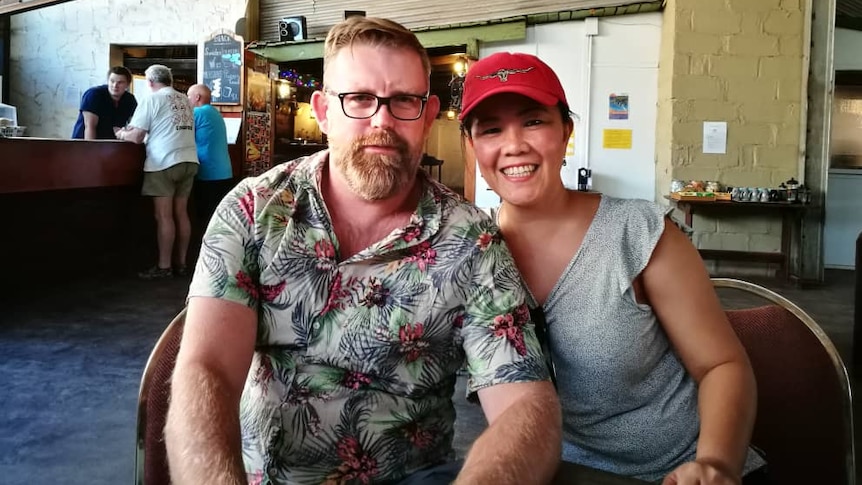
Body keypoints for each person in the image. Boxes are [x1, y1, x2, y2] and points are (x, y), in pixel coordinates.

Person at [164, 17, 561, 485]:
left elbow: (526, 405)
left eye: (404, 101)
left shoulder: (470, 240)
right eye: (358, 99)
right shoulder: (255, 211)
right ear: (325, 110)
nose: (382, 122)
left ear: (429, 114)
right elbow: (206, 371)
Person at [459, 52, 767, 485]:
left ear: (565, 131)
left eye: (533, 121)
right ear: (472, 148)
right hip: (557, 475)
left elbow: (722, 365)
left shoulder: (636, 232)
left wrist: (716, 464)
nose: (514, 145)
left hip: (676, 471)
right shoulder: (470, 254)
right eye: (491, 129)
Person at [116, 64, 198, 279]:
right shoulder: (185, 100)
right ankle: (181, 264)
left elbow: (136, 137)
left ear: (150, 82)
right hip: (189, 160)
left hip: (164, 162)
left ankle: (163, 267)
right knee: (181, 213)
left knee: (164, 216)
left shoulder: (152, 99)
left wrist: (121, 134)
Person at [186, 83, 234, 227]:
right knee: (219, 218)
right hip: (224, 173)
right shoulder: (215, 113)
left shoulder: (198, 113)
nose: (187, 100)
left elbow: (181, 135)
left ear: (197, 97)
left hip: (208, 173)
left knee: (205, 220)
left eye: (188, 96)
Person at [71, 66, 138, 140]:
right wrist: (89, 150)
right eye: (112, 81)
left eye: (120, 82)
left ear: (128, 84)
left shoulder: (130, 100)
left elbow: (135, 125)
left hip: (111, 144)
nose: (115, 85)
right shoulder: (94, 95)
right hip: (84, 143)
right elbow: (89, 127)